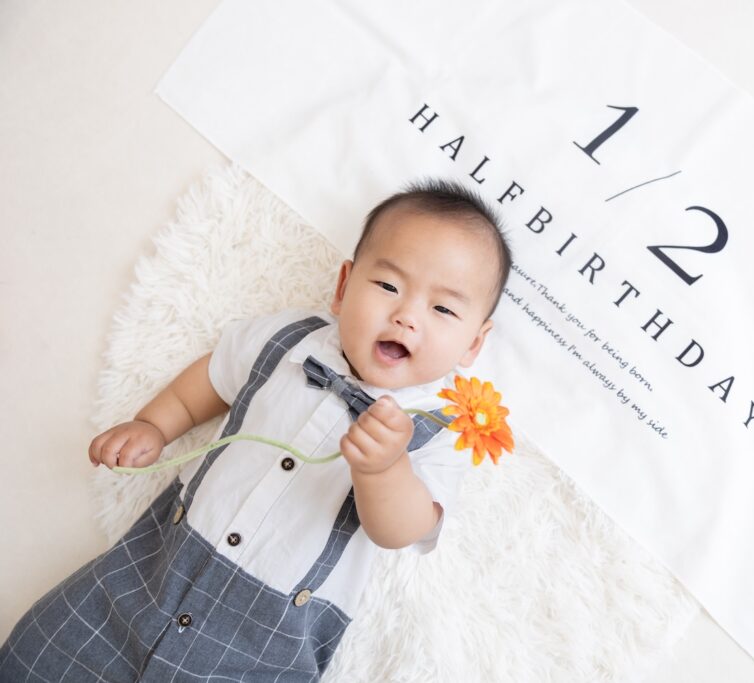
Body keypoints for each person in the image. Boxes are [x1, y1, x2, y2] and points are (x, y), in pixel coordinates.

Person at [0, 178, 513, 682]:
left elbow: (404, 530)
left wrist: (385, 470)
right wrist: (153, 424)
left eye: (443, 309)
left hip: (266, 645)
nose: (406, 317)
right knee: (45, 653)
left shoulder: (444, 426)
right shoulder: (290, 339)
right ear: (342, 288)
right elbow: (208, 381)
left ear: (473, 344)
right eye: (388, 286)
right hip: (151, 575)